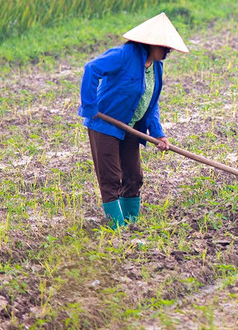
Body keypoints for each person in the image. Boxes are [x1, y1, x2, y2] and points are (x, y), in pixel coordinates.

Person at [79, 13, 189, 228]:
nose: (168, 52)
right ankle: (117, 229)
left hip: (131, 126)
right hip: (105, 124)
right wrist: (89, 106)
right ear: (150, 43)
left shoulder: (156, 66)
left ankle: (132, 223)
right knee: (111, 178)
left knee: (134, 176)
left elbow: (150, 101)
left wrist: (157, 133)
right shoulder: (123, 55)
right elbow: (91, 68)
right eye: (165, 47)